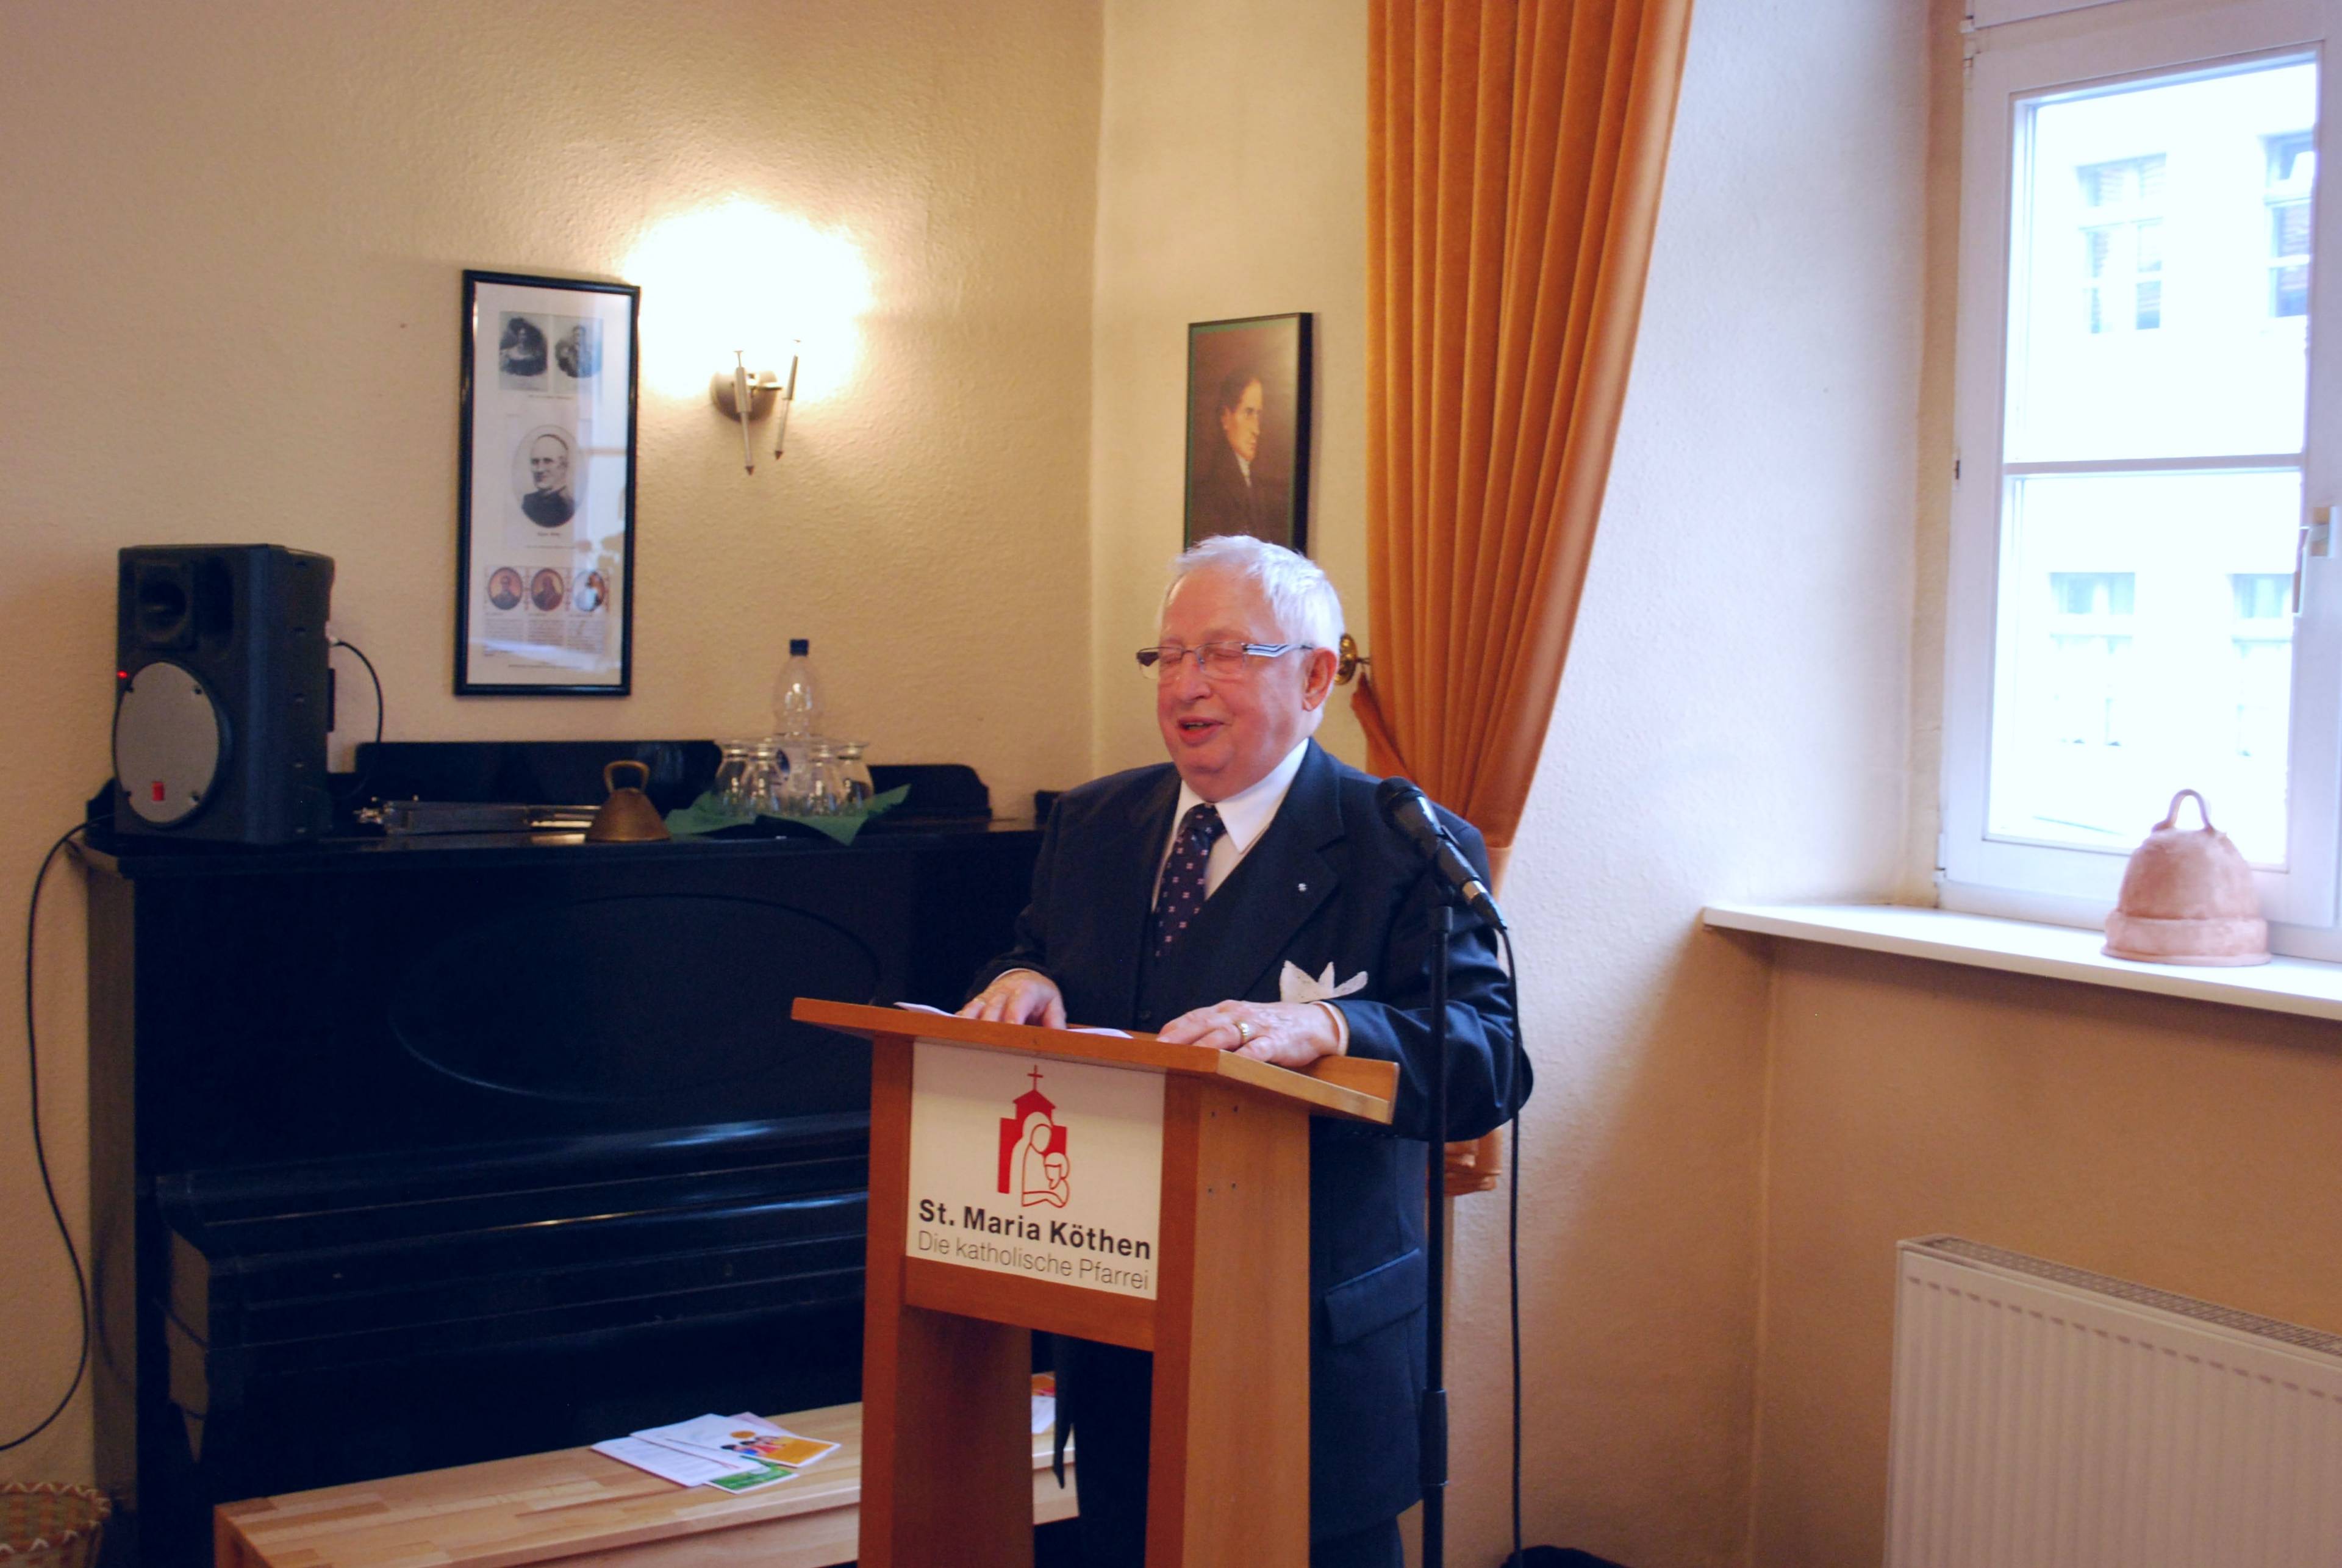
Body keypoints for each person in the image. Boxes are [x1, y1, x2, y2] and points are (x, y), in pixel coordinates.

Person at [961, 534, 1527, 1568]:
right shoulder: (1095, 821)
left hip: (1308, 1359)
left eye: (1225, 653)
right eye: (1169, 655)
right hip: (1123, 1328)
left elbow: (1489, 1058)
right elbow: (1039, 947)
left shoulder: (1404, 842)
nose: (1187, 684)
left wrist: (1332, 1027)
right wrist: (1026, 977)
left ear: (1315, 677)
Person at [1187, 368, 1284, 541]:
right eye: (1248, 413)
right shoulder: (1209, 493)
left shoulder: (1258, 485)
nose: (1257, 430)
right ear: (1226, 417)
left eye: (1258, 415)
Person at [521, 432, 575, 528]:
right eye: (535, 462)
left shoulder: (568, 506)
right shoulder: (528, 502)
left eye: (548, 461)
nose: (540, 469)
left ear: (564, 466)